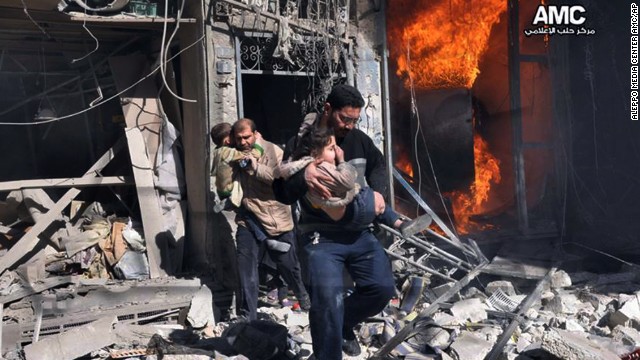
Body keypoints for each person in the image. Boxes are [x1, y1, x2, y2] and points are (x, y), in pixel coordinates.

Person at [273, 84, 397, 359]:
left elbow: (378, 165)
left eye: (355, 120)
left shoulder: (360, 141)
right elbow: (280, 192)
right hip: (321, 239)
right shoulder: (301, 143)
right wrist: (301, 177)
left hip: (360, 235)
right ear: (328, 109)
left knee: (382, 289)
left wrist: (378, 191)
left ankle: (344, 322)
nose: (350, 126)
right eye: (345, 119)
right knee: (327, 301)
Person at [232, 118, 310, 321]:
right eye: (238, 138)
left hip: (276, 220)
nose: (242, 142)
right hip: (248, 219)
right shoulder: (237, 152)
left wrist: (255, 167)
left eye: (246, 137)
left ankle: (304, 300)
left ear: (255, 134)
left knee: (289, 267)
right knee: (245, 268)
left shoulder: (273, 151)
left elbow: (279, 178)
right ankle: (248, 316)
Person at [209, 122, 263, 212]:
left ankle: (228, 204)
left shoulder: (217, 151)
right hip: (230, 190)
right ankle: (228, 203)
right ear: (228, 141)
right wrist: (258, 142)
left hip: (220, 189)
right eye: (234, 136)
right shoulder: (229, 152)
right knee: (240, 203)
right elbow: (252, 155)